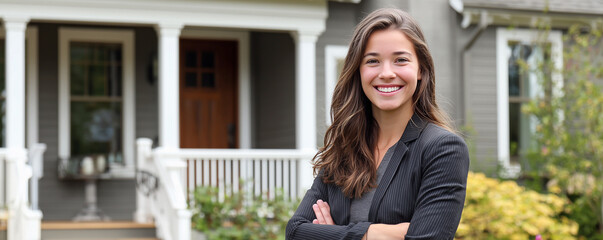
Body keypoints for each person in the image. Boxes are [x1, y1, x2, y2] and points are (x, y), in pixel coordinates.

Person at [286, 8, 470, 240]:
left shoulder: (443, 149)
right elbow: (295, 232)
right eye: (373, 61)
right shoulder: (344, 147)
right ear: (358, 71)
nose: (386, 73)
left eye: (400, 60)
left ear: (421, 69)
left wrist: (332, 234)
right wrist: (371, 233)